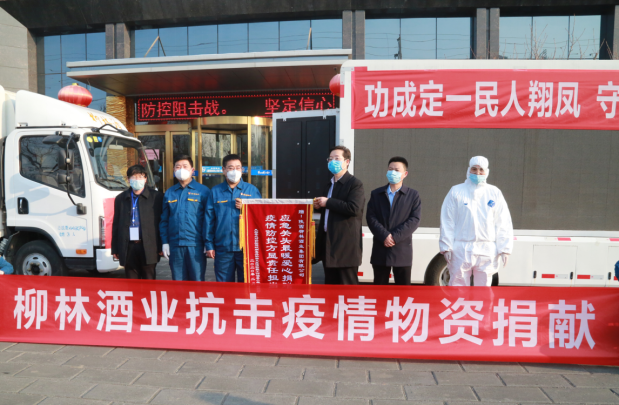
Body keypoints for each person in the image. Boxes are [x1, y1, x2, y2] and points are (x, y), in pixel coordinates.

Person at [439, 156, 513, 286]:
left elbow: (502, 222)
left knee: (483, 288)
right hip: (461, 248)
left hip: (487, 248)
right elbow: (447, 221)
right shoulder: (456, 191)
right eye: (474, 169)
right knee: (457, 286)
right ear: (469, 170)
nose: (477, 173)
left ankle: (481, 303)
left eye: (481, 170)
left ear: (487, 172)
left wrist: (504, 248)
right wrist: (446, 247)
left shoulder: (494, 192)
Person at [205, 154, 261, 282]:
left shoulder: (252, 191)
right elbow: (209, 220)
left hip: (246, 248)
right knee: (224, 286)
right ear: (223, 170)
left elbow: (260, 217)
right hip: (223, 248)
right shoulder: (215, 191)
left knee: (246, 285)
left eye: (238, 167)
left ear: (242, 170)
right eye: (230, 168)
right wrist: (209, 245)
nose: (234, 171)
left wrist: (247, 207)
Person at [366, 157, 421, 285]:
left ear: (405, 174)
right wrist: (384, 236)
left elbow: (414, 219)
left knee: (403, 291)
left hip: (402, 250)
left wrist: (394, 237)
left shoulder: (413, 195)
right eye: (390, 169)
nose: (393, 172)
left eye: (397, 170)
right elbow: (371, 217)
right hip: (381, 248)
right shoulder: (376, 194)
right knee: (380, 289)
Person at [314, 145, 365, 285]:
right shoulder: (329, 185)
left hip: (345, 247)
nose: (332, 162)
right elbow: (331, 210)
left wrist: (328, 202)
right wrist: (320, 207)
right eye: (330, 159)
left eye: (337, 158)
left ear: (347, 162)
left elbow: (354, 208)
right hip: (329, 244)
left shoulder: (355, 184)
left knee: (347, 289)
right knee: (331, 289)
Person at [160, 155, 210, 281]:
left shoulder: (203, 191)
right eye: (178, 167)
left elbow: (209, 219)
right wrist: (165, 242)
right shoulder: (170, 192)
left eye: (185, 166)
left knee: (197, 282)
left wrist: (208, 242)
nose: (181, 169)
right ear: (174, 170)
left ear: (192, 170)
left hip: (196, 245)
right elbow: (164, 220)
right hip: (175, 245)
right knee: (178, 283)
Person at [111, 165, 163, 279]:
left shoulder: (156, 197)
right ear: (128, 179)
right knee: (131, 281)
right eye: (134, 177)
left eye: (140, 176)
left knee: (148, 280)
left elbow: (161, 223)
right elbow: (116, 224)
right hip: (128, 246)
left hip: (148, 246)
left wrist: (161, 245)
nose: (137, 179)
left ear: (145, 179)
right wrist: (115, 248)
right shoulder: (121, 198)